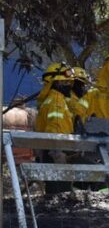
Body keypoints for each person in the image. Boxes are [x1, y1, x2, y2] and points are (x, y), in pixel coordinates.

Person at [35, 63, 76, 193]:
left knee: (53, 192)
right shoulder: (57, 102)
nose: (70, 85)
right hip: (57, 152)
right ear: (57, 83)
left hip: (49, 151)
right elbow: (55, 129)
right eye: (67, 82)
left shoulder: (50, 100)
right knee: (60, 192)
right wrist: (58, 154)